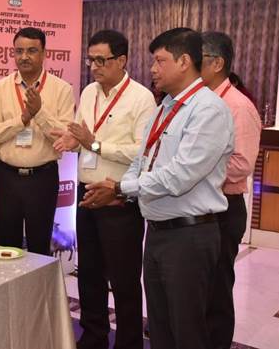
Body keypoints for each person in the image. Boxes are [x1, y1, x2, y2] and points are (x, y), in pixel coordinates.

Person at [82, 28, 234, 349]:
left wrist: (122, 188)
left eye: (159, 61)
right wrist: (122, 185)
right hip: (159, 232)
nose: (152, 69)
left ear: (184, 62)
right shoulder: (165, 107)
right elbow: (142, 160)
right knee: (161, 328)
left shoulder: (207, 110)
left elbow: (179, 175)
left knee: (187, 330)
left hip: (190, 236)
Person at [53, 30, 156, 349]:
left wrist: (94, 143)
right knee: (90, 274)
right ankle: (94, 336)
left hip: (119, 196)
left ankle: (128, 342)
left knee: (123, 279)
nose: (94, 66)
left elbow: (142, 151)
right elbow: (81, 133)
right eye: (91, 59)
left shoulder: (141, 98)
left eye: (102, 59)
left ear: (122, 60)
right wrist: (72, 140)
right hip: (87, 192)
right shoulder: (88, 93)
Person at [0, 27, 75, 255]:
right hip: (6, 176)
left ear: (45, 53)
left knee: (39, 245)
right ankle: (8, 291)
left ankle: (37, 291)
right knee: (6, 245)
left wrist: (39, 113)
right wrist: (23, 118)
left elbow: (65, 136)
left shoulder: (61, 89)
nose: (24, 57)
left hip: (43, 177)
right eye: (19, 51)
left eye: (32, 51)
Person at [201, 31, 262, 349]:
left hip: (224, 208)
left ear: (217, 63)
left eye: (198, 59)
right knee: (198, 289)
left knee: (217, 289)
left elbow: (241, 164)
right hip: (199, 206)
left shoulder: (238, 106)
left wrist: (192, 171)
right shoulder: (199, 102)